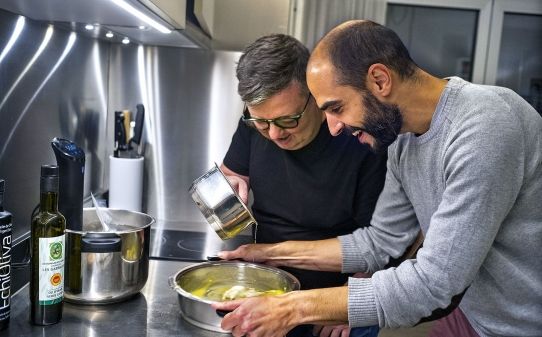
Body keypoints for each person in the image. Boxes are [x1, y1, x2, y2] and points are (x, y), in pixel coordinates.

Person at [213, 20, 542, 337]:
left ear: (380, 80)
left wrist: (291, 309)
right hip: (473, 315)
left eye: (337, 108)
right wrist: (267, 254)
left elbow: (433, 282)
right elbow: (378, 242)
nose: (333, 127)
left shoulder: (486, 128)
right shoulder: (400, 140)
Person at [220, 33, 387, 336]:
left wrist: (343, 306)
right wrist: (228, 188)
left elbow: (378, 246)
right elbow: (231, 175)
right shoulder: (256, 125)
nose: (273, 134)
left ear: (315, 97)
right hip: (267, 284)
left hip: (336, 291)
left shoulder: (359, 138)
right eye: (261, 122)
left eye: (287, 120)